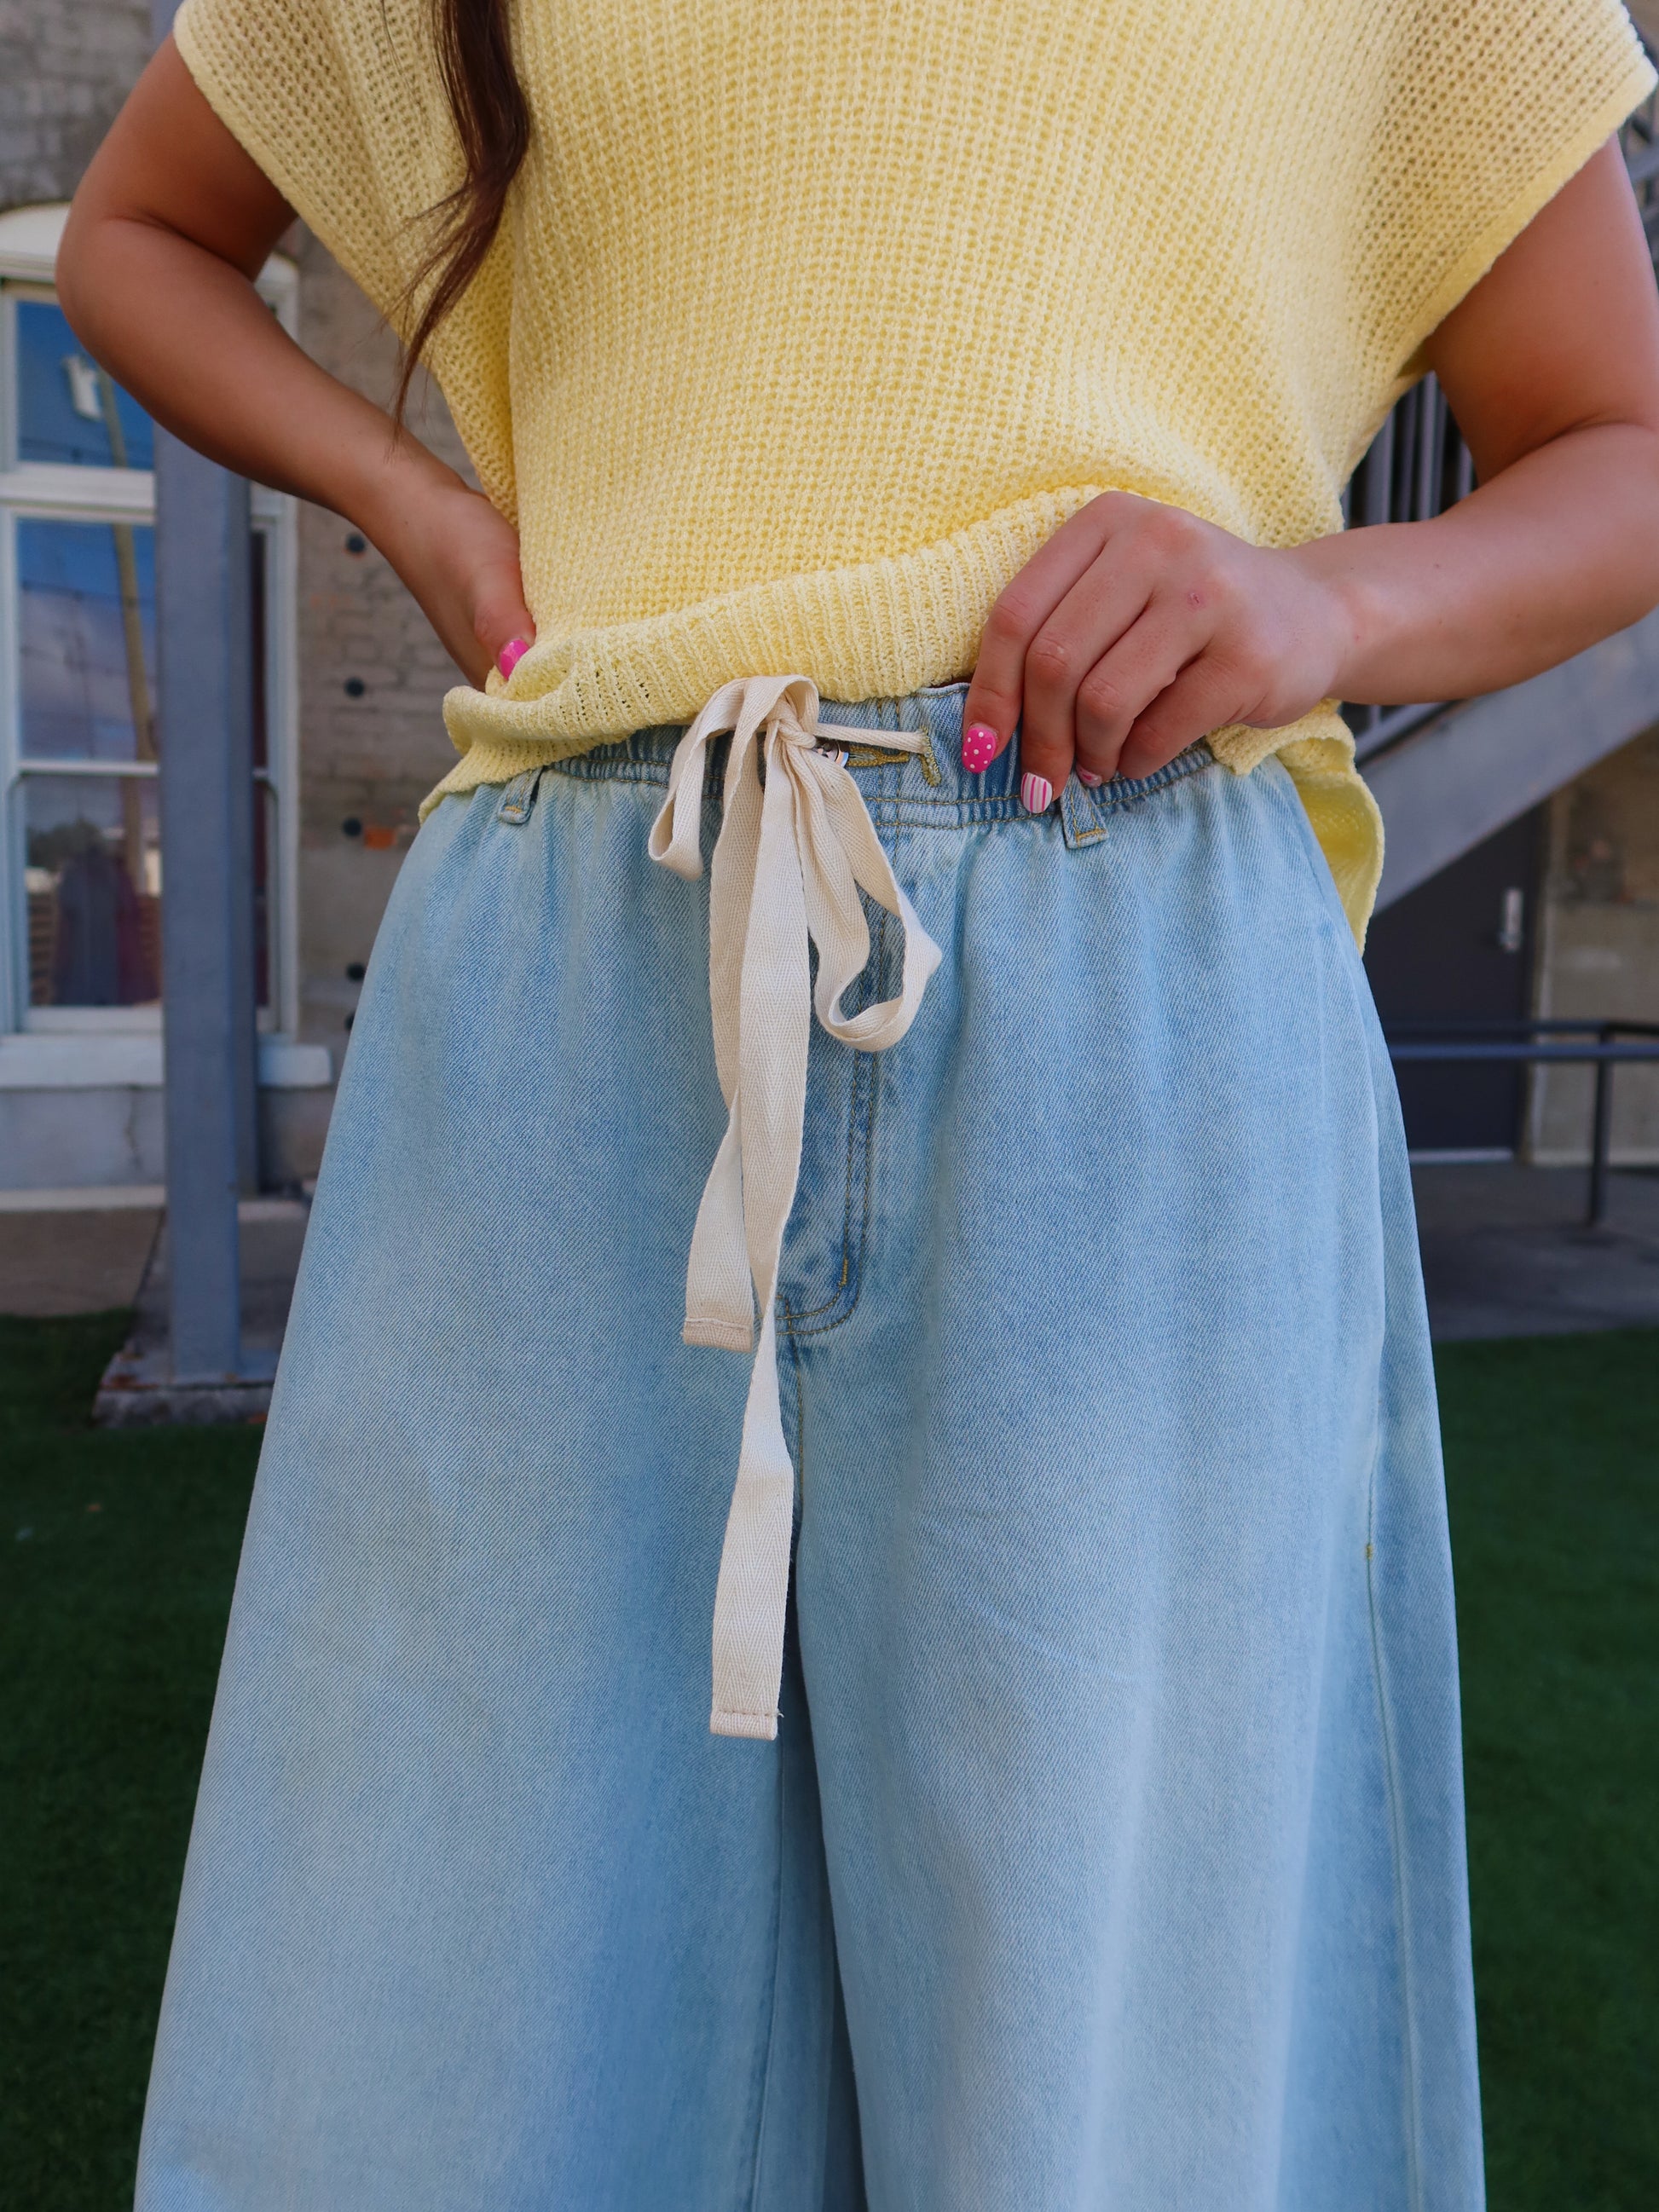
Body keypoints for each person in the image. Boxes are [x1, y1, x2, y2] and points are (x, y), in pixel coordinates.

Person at [59, 3, 1659, 2205]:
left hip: (1130, 1025)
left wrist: (1320, 603)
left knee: (1125, 2102)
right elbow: (136, 230)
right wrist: (418, 508)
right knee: (446, 2050)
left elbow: (1619, 442)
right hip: (579, 982)